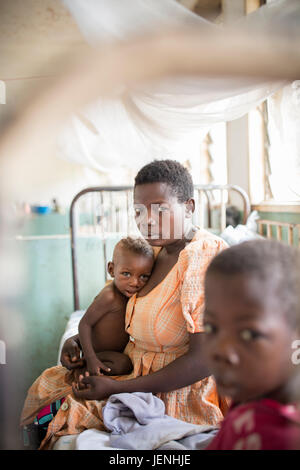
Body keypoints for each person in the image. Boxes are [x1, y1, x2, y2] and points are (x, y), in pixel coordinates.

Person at [21, 159, 229, 450]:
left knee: (57, 416)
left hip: (175, 392)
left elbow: (202, 360)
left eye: (160, 210)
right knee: (48, 389)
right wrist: (80, 339)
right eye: (139, 211)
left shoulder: (203, 257)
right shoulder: (153, 251)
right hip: (131, 370)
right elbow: (120, 309)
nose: (148, 221)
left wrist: (118, 388)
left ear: (190, 207)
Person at [202, 239, 300, 450]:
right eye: (211, 328)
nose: (221, 351)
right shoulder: (257, 391)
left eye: (249, 334)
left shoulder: (271, 434)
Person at [78, 236, 154, 376]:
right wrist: (91, 359)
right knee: (124, 365)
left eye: (143, 276)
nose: (135, 283)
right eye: (126, 274)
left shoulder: (131, 295)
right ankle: (82, 369)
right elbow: (84, 324)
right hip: (99, 354)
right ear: (112, 269)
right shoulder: (109, 297)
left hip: (115, 352)